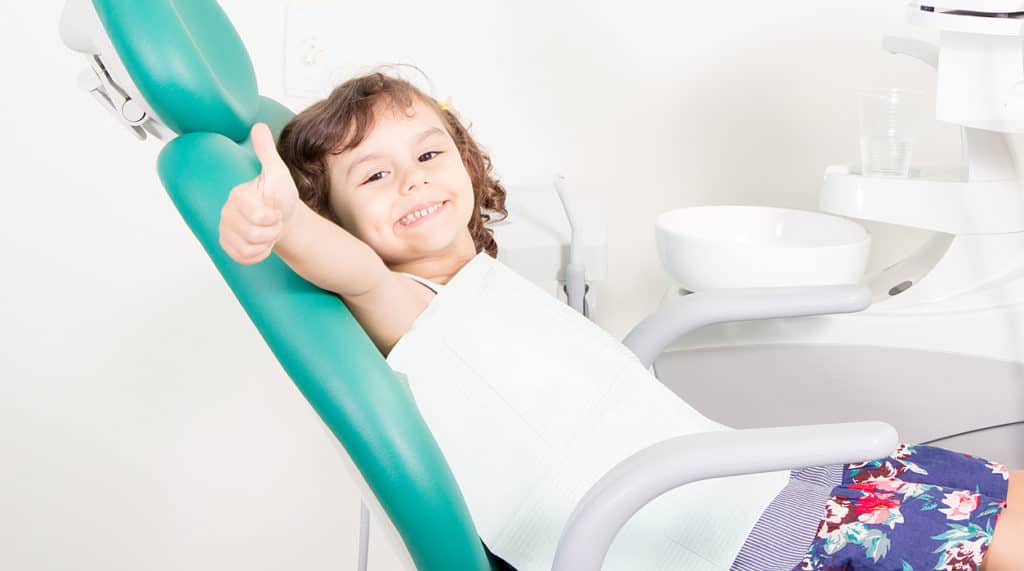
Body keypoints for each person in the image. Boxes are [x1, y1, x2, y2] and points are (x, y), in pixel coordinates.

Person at [218, 70, 1024, 570]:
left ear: (464, 160)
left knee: (996, 489)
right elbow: (353, 272)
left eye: (429, 154)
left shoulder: (478, 281)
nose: (415, 182)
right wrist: (283, 225)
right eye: (375, 176)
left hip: (752, 489)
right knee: (993, 537)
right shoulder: (409, 305)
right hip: (737, 541)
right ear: (342, 218)